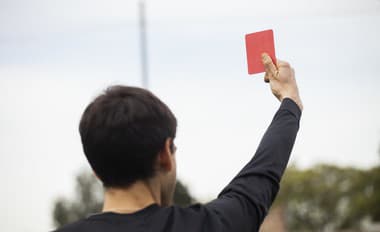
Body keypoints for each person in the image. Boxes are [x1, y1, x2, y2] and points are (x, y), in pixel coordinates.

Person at [53, 53, 303, 232]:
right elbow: (262, 174)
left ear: (96, 170)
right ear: (165, 155)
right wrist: (289, 101)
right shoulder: (212, 225)